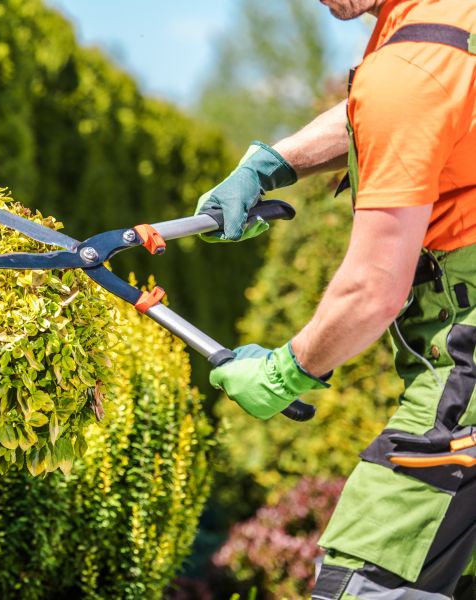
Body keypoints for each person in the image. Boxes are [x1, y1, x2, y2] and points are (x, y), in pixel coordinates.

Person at [196, 0, 476, 598]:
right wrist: (273, 164)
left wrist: (285, 371)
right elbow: (396, 113)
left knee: (363, 579)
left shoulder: (410, 67)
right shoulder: (449, 24)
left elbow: (373, 289)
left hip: (467, 370)